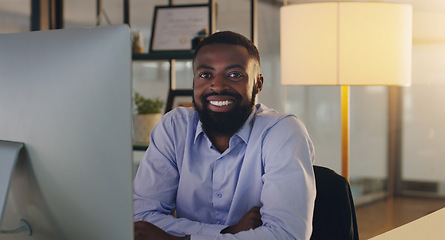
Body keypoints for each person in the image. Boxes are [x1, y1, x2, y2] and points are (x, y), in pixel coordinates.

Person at [133, 31, 316, 240]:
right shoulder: (174, 127)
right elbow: (142, 219)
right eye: (205, 75)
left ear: (258, 83)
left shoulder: (283, 132)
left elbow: (286, 236)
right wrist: (229, 232)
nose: (218, 86)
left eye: (234, 75)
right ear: (194, 82)